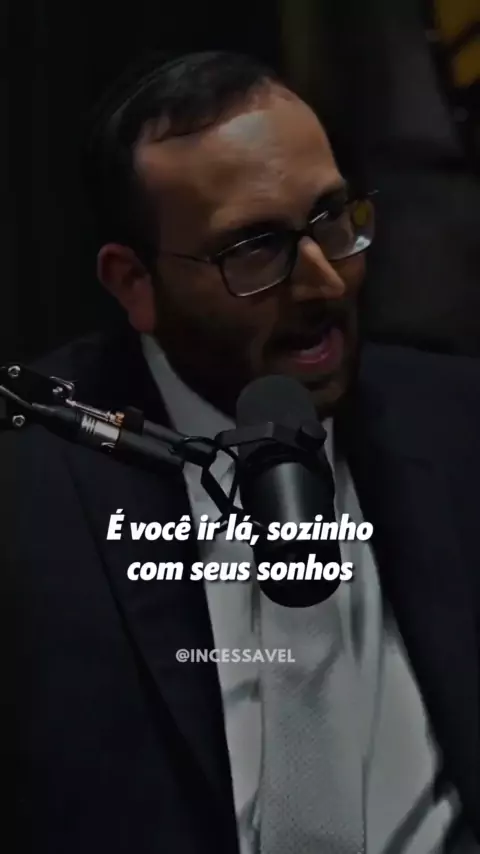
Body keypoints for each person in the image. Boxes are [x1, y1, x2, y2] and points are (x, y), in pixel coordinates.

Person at [1, 50, 480, 854]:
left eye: (333, 218)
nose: (325, 282)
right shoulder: (30, 494)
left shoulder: (458, 422)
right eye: (255, 249)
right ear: (133, 283)